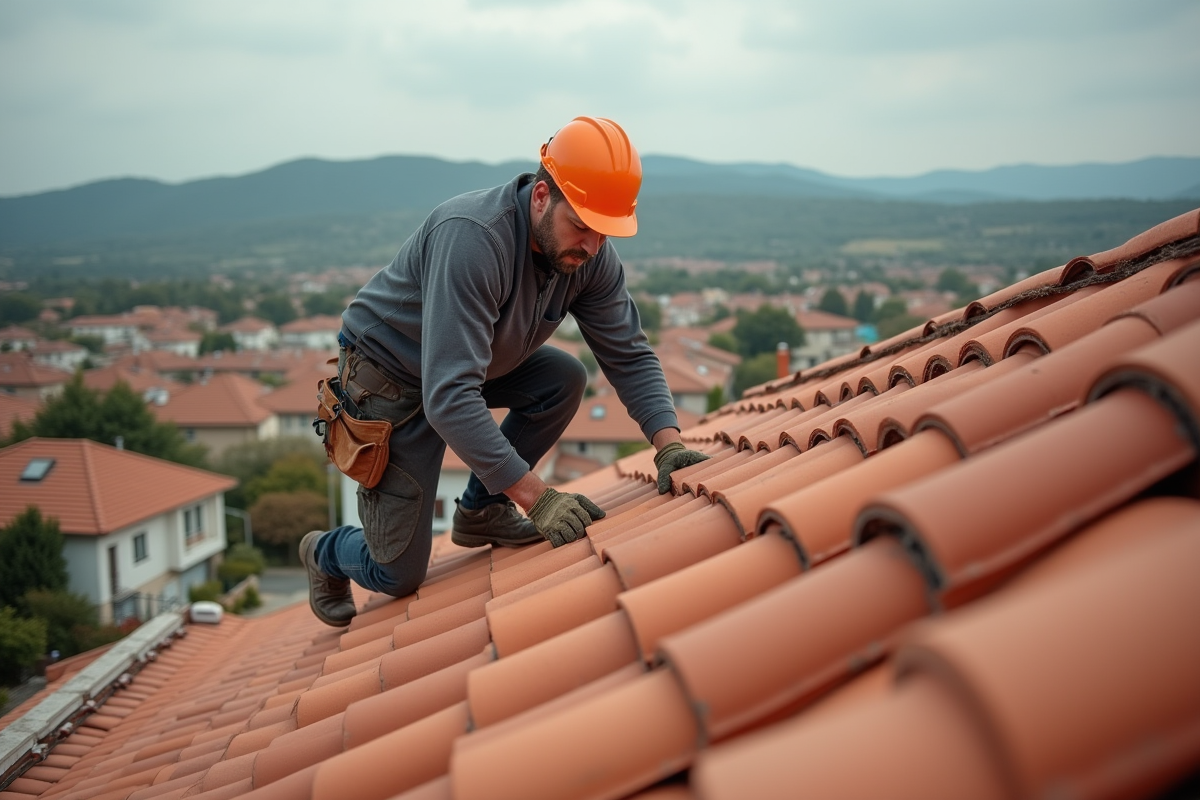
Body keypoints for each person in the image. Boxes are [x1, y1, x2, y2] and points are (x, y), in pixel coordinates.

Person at [300, 116, 711, 627]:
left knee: (563, 378)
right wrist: (538, 499)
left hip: (467, 362)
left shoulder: (590, 257)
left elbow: (627, 352)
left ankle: (481, 512)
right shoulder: (474, 240)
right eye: (581, 226)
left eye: (604, 232)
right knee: (398, 574)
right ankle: (325, 551)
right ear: (541, 197)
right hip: (390, 380)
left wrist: (668, 444)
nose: (590, 246)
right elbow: (448, 398)